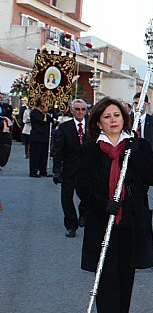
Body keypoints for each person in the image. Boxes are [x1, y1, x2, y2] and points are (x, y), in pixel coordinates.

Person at [76, 97, 153, 313]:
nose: (113, 121)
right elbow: (82, 186)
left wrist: (135, 155)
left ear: (124, 118)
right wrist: (103, 204)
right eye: (107, 117)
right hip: (102, 223)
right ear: (99, 123)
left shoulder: (137, 146)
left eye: (116, 116)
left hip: (131, 223)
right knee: (105, 279)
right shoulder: (90, 150)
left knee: (125, 278)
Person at [52, 99, 89, 238]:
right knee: (66, 198)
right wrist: (57, 170)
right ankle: (71, 225)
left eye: (83, 109)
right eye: (77, 109)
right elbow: (58, 150)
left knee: (87, 196)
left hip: (86, 170)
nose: (80, 112)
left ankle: (83, 214)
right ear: (72, 110)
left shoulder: (92, 127)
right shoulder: (64, 127)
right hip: (69, 168)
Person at [132, 93, 153, 161]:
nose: (137, 106)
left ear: (147, 104)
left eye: (140, 103)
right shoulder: (127, 120)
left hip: (147, 159)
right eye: (135, 103)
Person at [29, 100, 52, 177]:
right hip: (36, 137)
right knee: (35, 155)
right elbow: (42, 120)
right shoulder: (34, 112)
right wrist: (45, 113)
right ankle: (33, 171)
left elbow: (51, 119)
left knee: (43, 155)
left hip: (44, 137)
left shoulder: (45, 113)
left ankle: (43, 170)